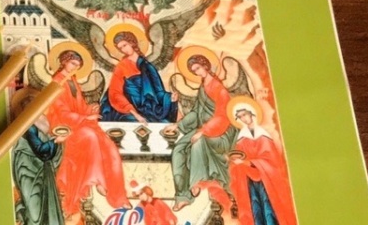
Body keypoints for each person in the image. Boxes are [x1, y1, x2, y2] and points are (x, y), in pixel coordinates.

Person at [44, 46, 129, 217]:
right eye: (72, 63)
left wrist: (90, 110)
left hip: (79, 123)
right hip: (64, 126)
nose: (75, 67)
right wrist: (84, 117)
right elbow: (61, 111)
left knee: (110, 147)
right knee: (90, 137)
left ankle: (118, 196)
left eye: (78, 65)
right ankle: (97, 181)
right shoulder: (56, 82)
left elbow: (80, 106)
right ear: (64, 62)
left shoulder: (73, 81)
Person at [166, 52, 236, 212]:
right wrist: (178, 125)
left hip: (221, 133)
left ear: (205, 65)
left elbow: (222, 116)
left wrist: (203, 132)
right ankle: (182, 196)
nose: (197, 72)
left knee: (197, 143)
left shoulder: (219, 88)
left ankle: (197, 182)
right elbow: (196, 112)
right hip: (203, 129)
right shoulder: (203, 86)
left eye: (198, 68)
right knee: (178, 149)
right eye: (194, 70)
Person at [227, 102, 297, 225]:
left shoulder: (263, 135)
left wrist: (246, 162)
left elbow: (271, 161)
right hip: (250, 180)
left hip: (268, 180)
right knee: (255, 208)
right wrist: (236, 163)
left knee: (268, 206)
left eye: (244, 114)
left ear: (251, 114)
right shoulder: (242, 138)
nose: (243, 118)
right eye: (240, 117)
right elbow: (239, 157)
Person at [100, 28, 178, 123]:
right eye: (120, 48)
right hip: (129, 111)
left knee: (165, 123)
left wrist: (170, 98)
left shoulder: (147, 66)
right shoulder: (121, 66)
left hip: (149, 108)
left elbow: (158, 91)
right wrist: (134, 113)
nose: (124, 50)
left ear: (132, 42)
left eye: (125, 45)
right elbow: (115, 93)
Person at [12, 117, 65, 225]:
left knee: (46, 207)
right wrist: (56, 141)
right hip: (28, 169)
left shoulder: (43, 122)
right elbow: (41, 150)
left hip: (40, 169)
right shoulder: (29, 126)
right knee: (34, 212)